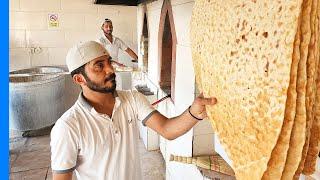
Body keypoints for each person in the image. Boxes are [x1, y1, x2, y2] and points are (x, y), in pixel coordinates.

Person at [50, 41, 217, 180]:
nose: (110, 69)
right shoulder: (68, 126)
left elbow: (167, 129)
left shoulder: (131, 99)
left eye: (109, 62)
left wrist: (195, 112)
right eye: (99, 66)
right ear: (79, 79)